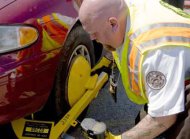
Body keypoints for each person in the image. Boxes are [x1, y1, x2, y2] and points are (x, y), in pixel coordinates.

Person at [79, 0, 190, 138]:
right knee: (144, 124)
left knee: (180, 131)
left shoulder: (152, 53)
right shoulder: (126, 7)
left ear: (112, 23)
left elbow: (163, 118)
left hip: (170, 61)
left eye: (95, 33)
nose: (92, 38)